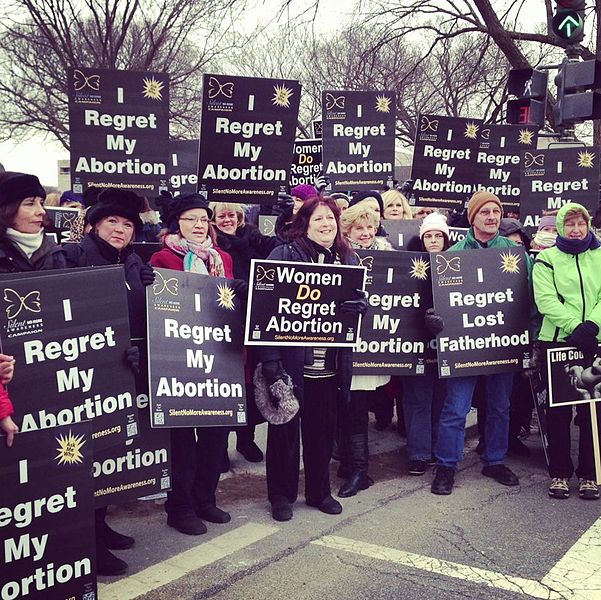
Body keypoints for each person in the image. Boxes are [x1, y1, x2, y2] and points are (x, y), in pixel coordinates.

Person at [64, 187, 154, 576]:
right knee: (84, 459)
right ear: (95, 224)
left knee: (108, 458)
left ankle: (101, 526)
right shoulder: (72, 258)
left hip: (122, 373)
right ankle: (88, 543)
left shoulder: (132, 262)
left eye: (127, 224)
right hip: (84, 378)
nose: (120, 229)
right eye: (112, 221)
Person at [259, 196, 367, 521]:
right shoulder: (284, 255)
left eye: (331, 219)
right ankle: (281, 496)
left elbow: (357, 306)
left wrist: (360, 309)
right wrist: (270, 360)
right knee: (284, 437)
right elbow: (264, 310)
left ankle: (320, 492)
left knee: (322, 434)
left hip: (328, 369)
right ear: (304, 224)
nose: (326, 225)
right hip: (291, 367)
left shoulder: (347, 259)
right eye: (318, 219)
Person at [150, 193, 234, 534]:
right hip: (180, 360)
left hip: (218, 360)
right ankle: (180, 506)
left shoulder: (222, 258)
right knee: (183, 440)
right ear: (177, 224)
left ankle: (206, 499)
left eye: (203, 219)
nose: (199, 225)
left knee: (216, 437)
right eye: (191, 219)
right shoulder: (163, 257)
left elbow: (227, 306)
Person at [431, 191, 524, 495]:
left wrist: (530, 337)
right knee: (456, 408)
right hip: (464, 344)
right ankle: (447, 465)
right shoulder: (454, 253)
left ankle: (494, 460)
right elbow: (439, 299)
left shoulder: (513, 252)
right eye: (484, 211)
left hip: (502, 341)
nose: (492, 216)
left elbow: (528, 296)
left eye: (496, 211)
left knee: (499, 406)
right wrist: (436, 317)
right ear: (473, 217)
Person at [533, 202, 601, 500]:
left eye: (581, 224)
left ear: (588, 226)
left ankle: (590, 474)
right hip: (559, 341)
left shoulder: (599, 255)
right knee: (558, 412)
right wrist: (576, 328)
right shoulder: (546, 259)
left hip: (594, 341)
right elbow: (545, 300)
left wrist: (593, 327)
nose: (576, 230)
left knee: (592, 411)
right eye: (570, 224)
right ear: (561, 227)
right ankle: (560, 473)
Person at [210, 201, 281, 464]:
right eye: (221, 215)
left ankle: (245, 439)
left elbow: (279, 248)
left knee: (250, 382)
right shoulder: (213, 244)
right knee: (227, 382)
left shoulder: (254, 239)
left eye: (232, 215)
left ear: (240, 217)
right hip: (222, 319)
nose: (227, 219)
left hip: (254, 318)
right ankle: (220, 446)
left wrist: (282, 216)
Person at [337, 204, 391, 496]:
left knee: (357, 408)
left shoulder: (388, 254)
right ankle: (349, 463)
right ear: (347, 230)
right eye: (359, 228)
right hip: (346, 344)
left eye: (370, 227)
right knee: (344, 408)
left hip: (372, 346)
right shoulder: (341, 256)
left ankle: (360, 471)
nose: (367, 232)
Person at [402, 212, 449, 475]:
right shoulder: (409, 265)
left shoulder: (454, 264)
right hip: (415, 341)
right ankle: (418, 453)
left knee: (441, 399)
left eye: (437, 235)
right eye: (428, 236)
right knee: (417, 398)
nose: (432, 240)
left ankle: (436, 448)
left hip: (444, 343)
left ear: (445, 238)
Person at [0, 171, 66, 272]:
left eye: (41, 203)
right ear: (7, 210)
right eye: (30, 204)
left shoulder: (54, 253)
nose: (41, 211)